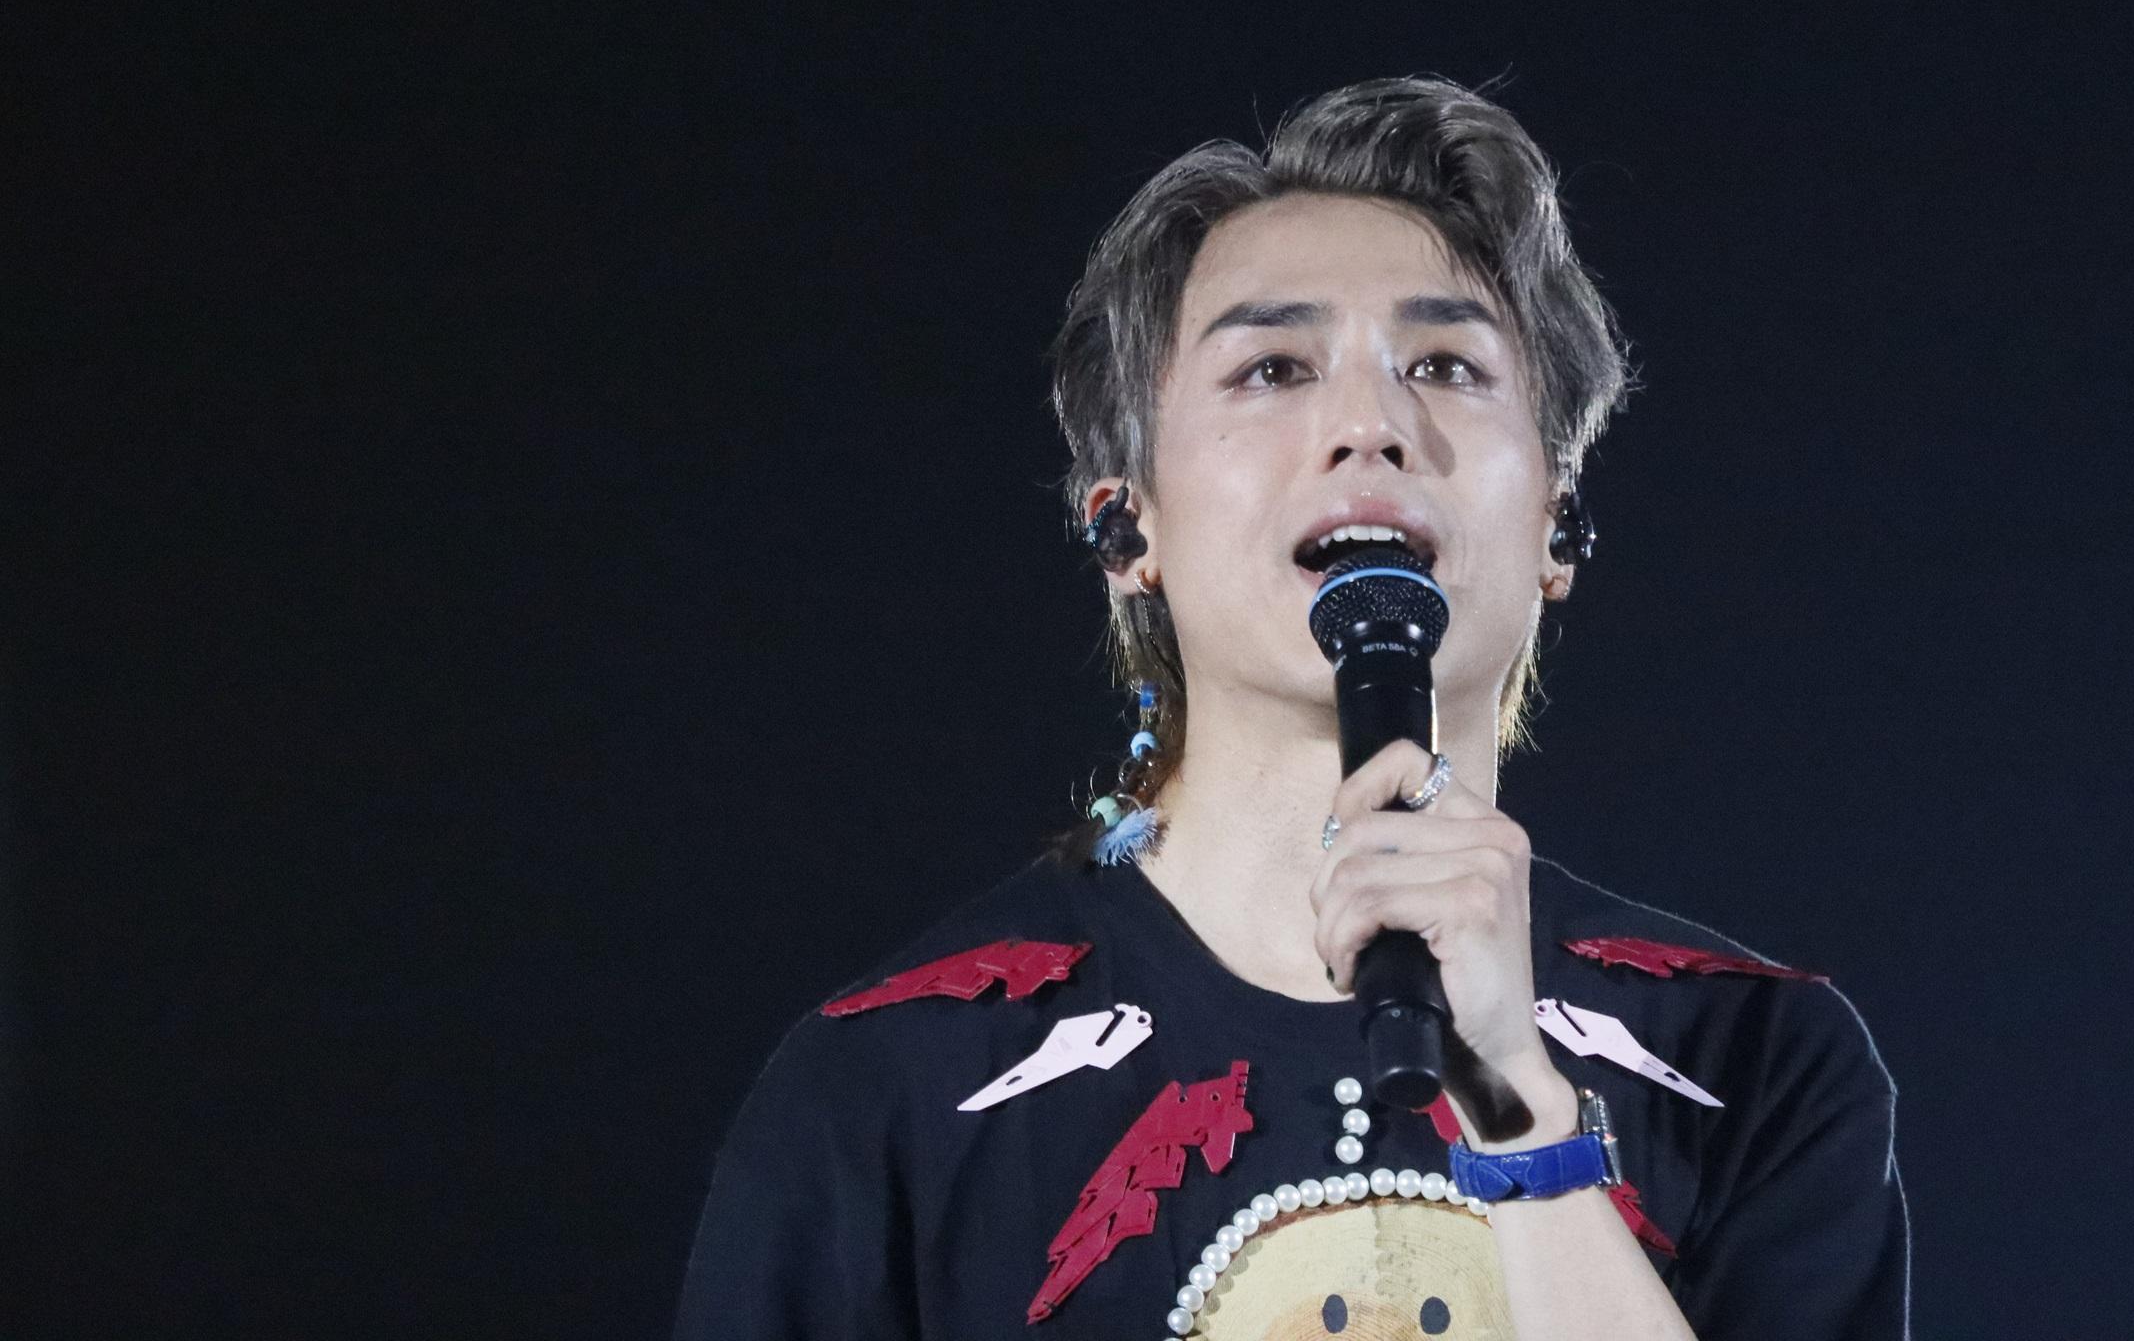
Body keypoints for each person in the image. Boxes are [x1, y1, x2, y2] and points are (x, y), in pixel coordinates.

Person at [672, 77, 1910, 1339]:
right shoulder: (889, 1086)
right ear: (1125, 526)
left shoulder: (1754, 1055)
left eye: (1445, 364)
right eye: (1272, 368)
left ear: (1558, 522)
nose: (1370, 425)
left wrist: (1520, 1111)